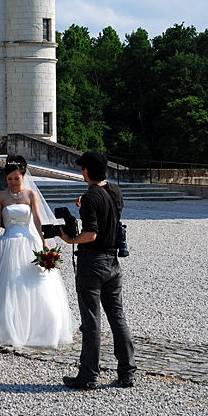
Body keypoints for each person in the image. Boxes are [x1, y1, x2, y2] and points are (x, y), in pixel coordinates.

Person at [0, 155, 73, 348]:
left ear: (23, 176)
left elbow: (37, 220)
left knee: (33, 285)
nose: (13, 182)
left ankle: (40, 325)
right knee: (5, 286)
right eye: (9, 179)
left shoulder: (30, 195)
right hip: (7, 242)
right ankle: (4, 325)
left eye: (16, 178)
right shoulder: (1, 196)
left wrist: (44, 242)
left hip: (27, 241)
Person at [61, 151, 136, 390]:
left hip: (92, 262)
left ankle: (88, 376)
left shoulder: (90, 197)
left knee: (92, 321)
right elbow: (108, 214)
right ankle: (127, 372)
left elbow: (91, 233)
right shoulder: (115, 191)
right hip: (113, 263)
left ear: (85, 171)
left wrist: (68, 239)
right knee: (118, 318)